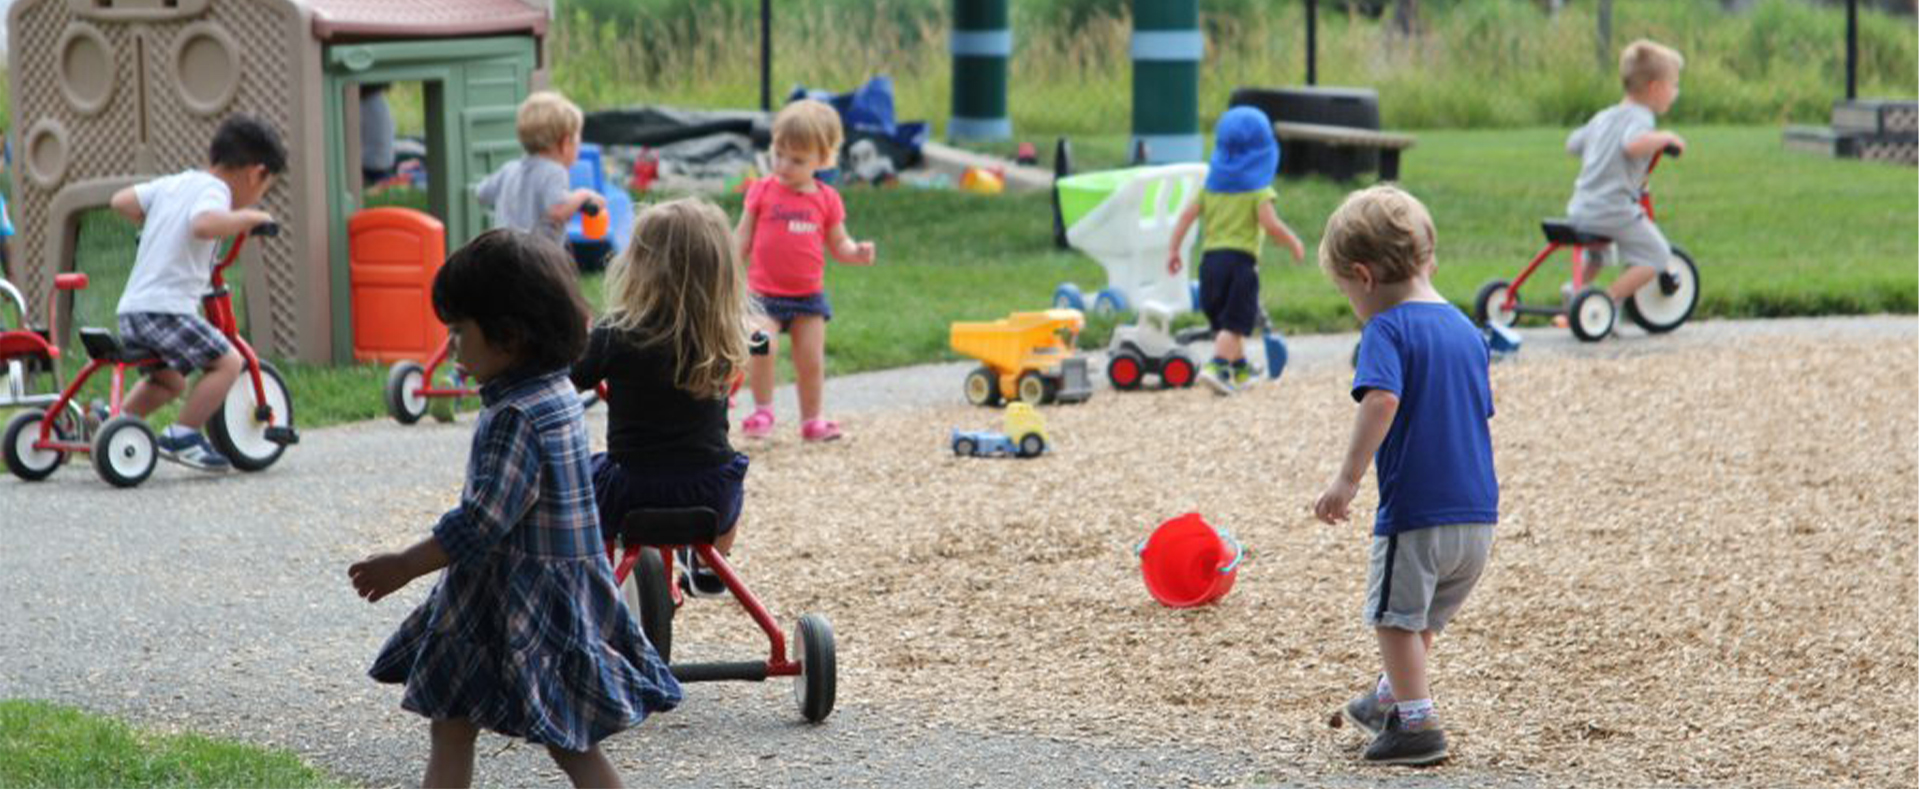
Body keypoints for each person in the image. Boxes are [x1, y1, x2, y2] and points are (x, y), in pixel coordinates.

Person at [349, 229, 680, 788]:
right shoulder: (556, 393)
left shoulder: (516, 416)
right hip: (532, 589)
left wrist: (405, 563)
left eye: (458, 331)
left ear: (509, 336)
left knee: (562, 739)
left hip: (519, 597)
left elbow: (483, 522)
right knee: (457, 721)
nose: (452, 347)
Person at [1312, 185, 1498, 766]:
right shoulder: (1468, 332)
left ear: (1364, 278)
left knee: (1392, 618)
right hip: (1478, 518)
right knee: (1418, 617)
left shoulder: (1386, 330)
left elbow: (1382, 401)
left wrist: (1347, 478)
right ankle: (1388, 699)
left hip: (1417, 515)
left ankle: (1417, 726)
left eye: (1347, 294)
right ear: (1429, 260)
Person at [572, 198, 754, 597]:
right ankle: (709, 565)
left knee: (581, 474)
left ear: (638, 267)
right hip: (709, 492)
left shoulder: (615, 334)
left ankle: (600, 577)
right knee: (733, 474)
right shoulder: (726, 335)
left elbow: (573, 378)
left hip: (631, 490)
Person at [106, 114, 285, 470]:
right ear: (255, 174)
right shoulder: (215, 192)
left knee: (169, 380)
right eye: (263, 189)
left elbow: (122, 201)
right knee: (228, 362)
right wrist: (250, 219)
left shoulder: (177, 184)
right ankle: (183, 433)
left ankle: (118, 423)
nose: (254, 199)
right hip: (165, 311)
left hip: (133, 310)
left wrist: (159, 222)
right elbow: (203, 224)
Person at [735, 99, 876, 442]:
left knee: (811, 360)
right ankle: (763, 409)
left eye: (797, 160)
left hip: (808, 297)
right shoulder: (762, 191)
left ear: (823, 159)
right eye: (778, 154)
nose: (783, 165)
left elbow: (838, 244)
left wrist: (855, 253)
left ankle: (812, 419)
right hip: (763, 294)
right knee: (761, 344)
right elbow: (742, 237)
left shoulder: (826, 199)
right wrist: (724, 267)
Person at [1166, 105, 1305, 395]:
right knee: (1237, 323)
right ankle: (1216, 366)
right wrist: (1293, 242)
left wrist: (1174, 251)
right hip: (1240, 265)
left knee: (1228, 322)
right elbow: (1270, 223)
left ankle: (1240, 370)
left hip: (1210, 266)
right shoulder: (1259, 192)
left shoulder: (1209, 189)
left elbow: (1185, 217)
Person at [1560, 39, 1687, 330]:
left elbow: (1573, 143)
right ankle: (1606, 301)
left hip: (1581, 206)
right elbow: (1632, 144)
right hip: (1612, 208)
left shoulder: (1604, 117)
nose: (1676, 93)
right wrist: (1665, 139)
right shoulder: (1642, 118)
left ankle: (1575, 290)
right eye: (1674, 85)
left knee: (1600, 253)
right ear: (1656, 88)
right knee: (1657, 254)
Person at [476, 91, 603, 249]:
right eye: (577, 139)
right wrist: (583, 195)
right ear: (565, 143)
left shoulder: (509, 169)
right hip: (536, 260)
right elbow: (557, 209)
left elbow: (482, 194)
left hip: (503, 253)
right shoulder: (555, 171)